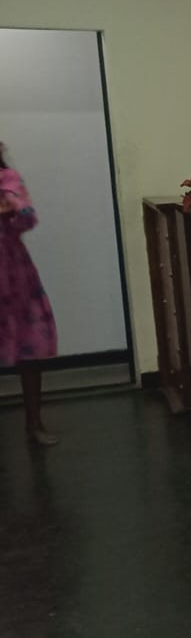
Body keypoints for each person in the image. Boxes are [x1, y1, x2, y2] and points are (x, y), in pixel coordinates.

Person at [0, 141, 60, 446]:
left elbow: (26, 216)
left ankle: (34, 423)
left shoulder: (7, 178)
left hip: (12, 271)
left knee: (29, 344)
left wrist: (11, 206)